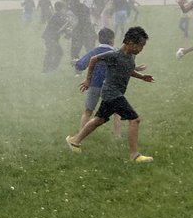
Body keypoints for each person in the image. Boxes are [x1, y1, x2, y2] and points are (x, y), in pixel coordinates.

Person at [65, 26, 155, 163]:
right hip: (111, 93)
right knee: (134, 119)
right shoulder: (115, 55)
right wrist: (88, 79)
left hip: (114, 93)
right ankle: (135, 155)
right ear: (130, 43)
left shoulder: (131, 56)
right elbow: (94, 59)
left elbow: (129, 70)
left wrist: (142, 77)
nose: (141, 49)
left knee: (99, 120)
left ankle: (74, 140)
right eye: (140, 46)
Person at [73, 28, 121, 136]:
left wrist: (76, 62)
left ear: (99, 39)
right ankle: (117, 135)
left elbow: (81, 65)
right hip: (111, 87)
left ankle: (81, 134)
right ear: (112, 40)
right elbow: (125, 67)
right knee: (117, 112)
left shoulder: (94, 52)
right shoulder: (116, 53)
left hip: (94, 85)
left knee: (88, 111)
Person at [42, 1, 73, 72]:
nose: (65, 10)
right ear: (59, 9)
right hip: (49, 37)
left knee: (52, 53)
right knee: (54, 52)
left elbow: (64, 30)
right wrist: (67, 23)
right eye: (64, 9)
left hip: (53, 38)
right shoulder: (56, 17)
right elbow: (59, 30)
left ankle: (48, 68)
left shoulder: (59, 17)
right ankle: (49, 68)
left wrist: (70, 33)